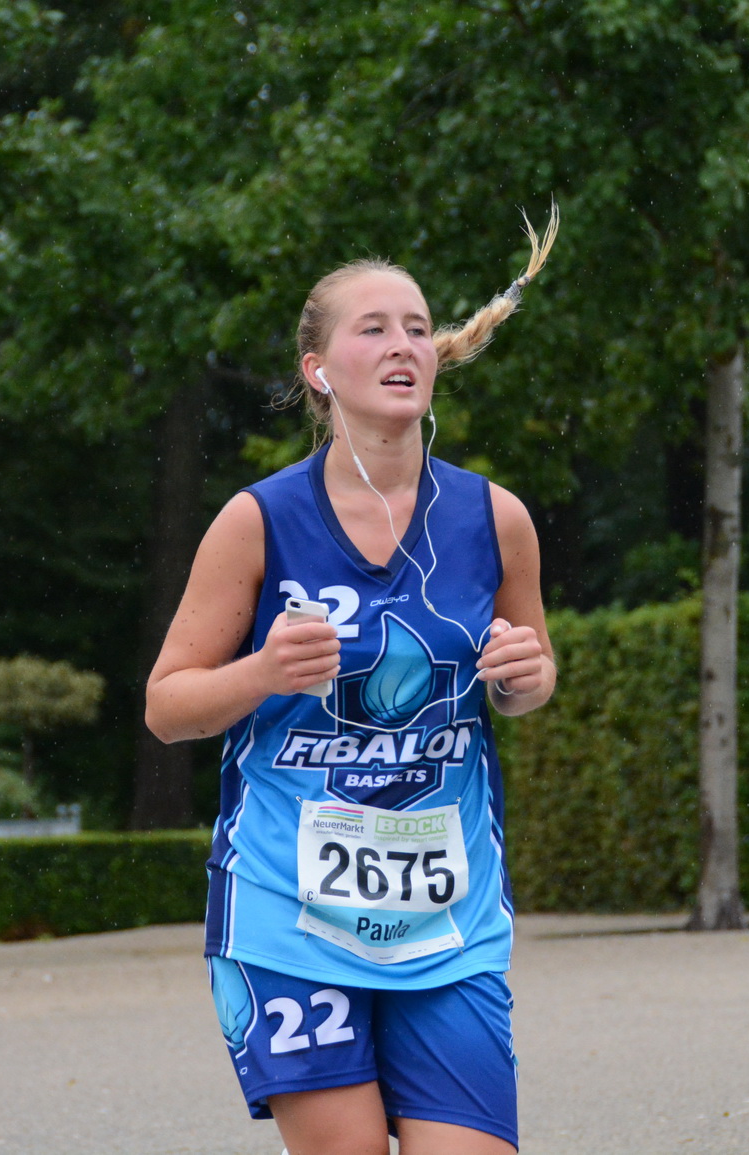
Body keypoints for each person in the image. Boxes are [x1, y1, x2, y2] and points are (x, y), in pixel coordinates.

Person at [145, 211, 559, 1155]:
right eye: (371, 328)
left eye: (416, 326)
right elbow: (166, 706)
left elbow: (527, 679)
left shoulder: (497, 518)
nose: (403, 342)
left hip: (448, 920)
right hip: (288, 916)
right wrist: (261, 670)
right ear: (318, 371)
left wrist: (526, 676)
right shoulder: (256, 521)